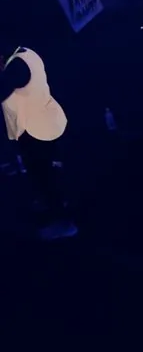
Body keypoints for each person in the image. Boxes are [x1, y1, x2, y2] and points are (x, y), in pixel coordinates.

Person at [0, 44, 76, 240]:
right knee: (46, 172)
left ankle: (62, 221)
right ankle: (54, 207)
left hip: (36, 130)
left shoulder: (16, 67)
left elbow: (6, 90)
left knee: (44, 174)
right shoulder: (24, 55)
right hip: (41, 123)